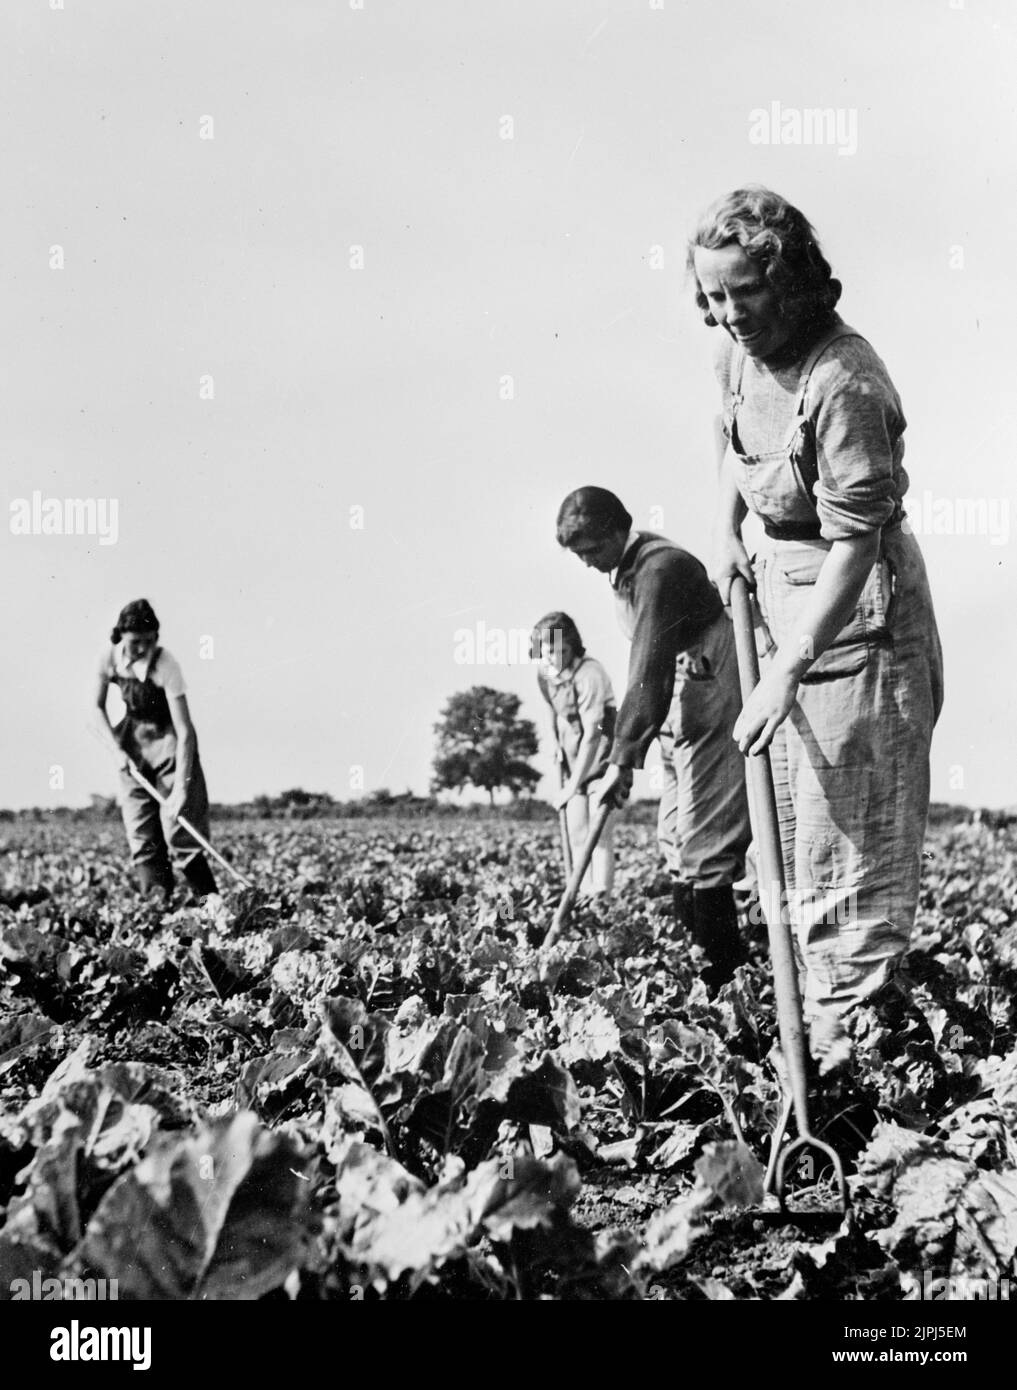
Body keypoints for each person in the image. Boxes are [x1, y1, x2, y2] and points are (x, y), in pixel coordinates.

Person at [688, 186, 944, 1061]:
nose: (730, 316)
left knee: (852, 849)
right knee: (794, 847)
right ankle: (825, 1049)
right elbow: (730, 437)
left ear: (788, 279)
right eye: (714, 298)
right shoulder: (735, 355)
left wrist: (786, 666)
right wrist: (725, 527)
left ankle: (862, 1077)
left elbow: (856, 538)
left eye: (745, 294)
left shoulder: (843, 378)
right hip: (778, 596)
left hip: (859, 619)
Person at [556, 487, 752, 990]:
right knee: (675, 838)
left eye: (590, 550)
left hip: (709, 694)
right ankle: (688, 966)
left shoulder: (659, 570)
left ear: (618, 530)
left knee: (705, 843)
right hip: (678, 702)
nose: (586, 563)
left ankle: (723, 981)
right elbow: (643, 675)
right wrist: (615, 752)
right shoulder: (624, 572)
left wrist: (623, 761)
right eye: (578, 555)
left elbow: (648, 667)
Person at [95, 599, 218, 903]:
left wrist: (180, 790)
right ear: (120, 636)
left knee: (180, 830)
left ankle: (211, 904)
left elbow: (186, 730)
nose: (142, 649)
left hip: (169, 746)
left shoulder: (166, 664)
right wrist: (115, 751)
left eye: (149, 642)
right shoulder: (109, 659)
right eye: (136, 642)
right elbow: (94, 708)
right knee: (141, 833)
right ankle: (157, 910)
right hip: (132, 748)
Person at [532, 611, 616, 897]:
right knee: (577, 829)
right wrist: (555, 743)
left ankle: (600, 895)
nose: (554, 658)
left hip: (602, 753)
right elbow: (551, 709)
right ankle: (580, 893)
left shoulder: (590, 674)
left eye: (562, 650)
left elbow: (593, 734)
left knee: (598, 831)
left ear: (573, 646)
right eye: (549, 651)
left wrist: (570, 787)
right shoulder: (545, 673)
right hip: (571, 751)